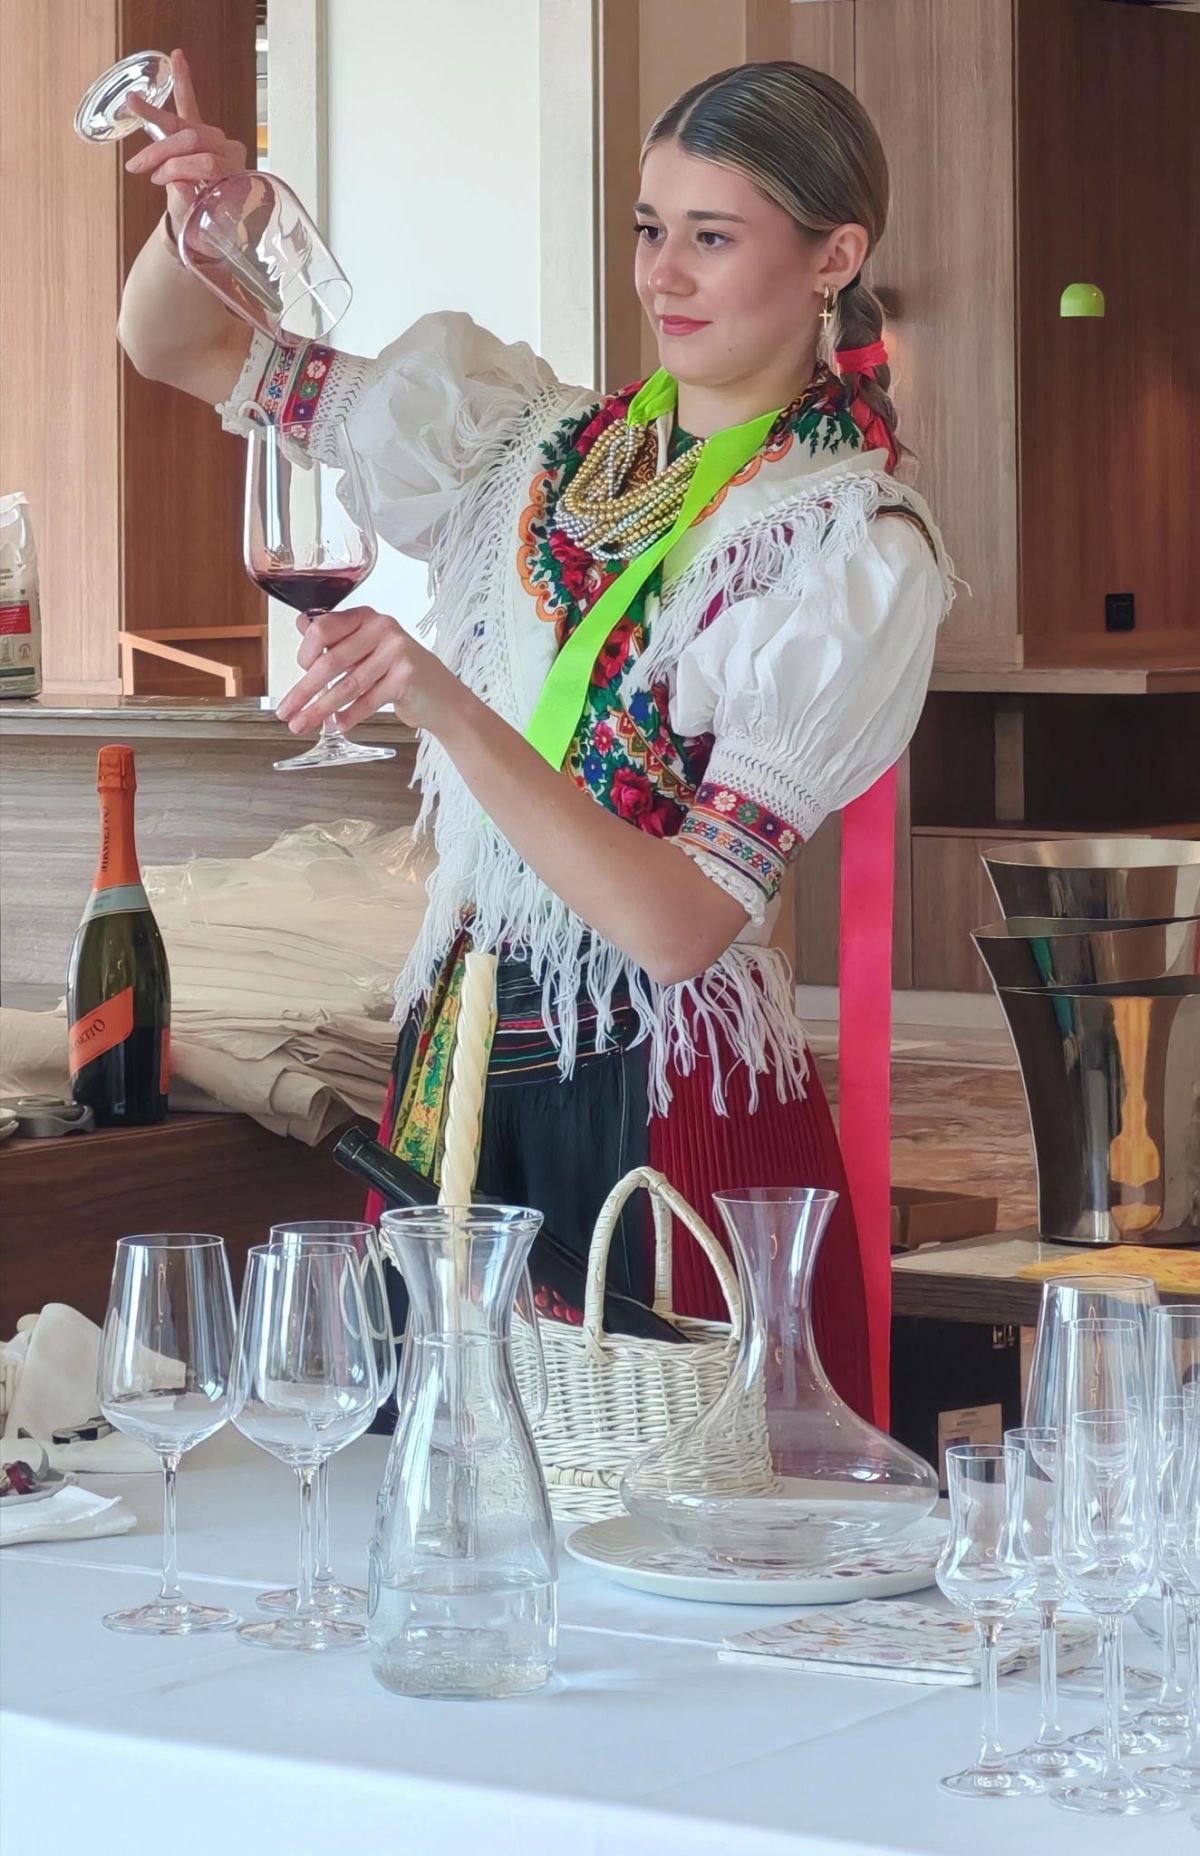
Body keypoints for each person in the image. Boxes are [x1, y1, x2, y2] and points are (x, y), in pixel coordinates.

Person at [118, 52, 953, 1421]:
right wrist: (202, 223)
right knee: (438, 1484)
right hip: (460, 1043)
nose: (663, 275)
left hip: (663, 1097)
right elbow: (182, 347)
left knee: (655, 1491)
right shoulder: (521, 447)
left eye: (712, 237)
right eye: (649, 228)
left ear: (834, 257)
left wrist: (443, 699)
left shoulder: (843, 545)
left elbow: (679, 927)